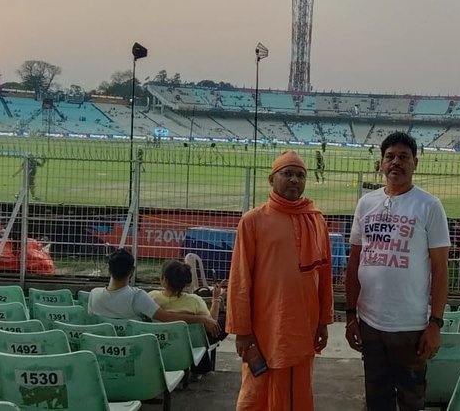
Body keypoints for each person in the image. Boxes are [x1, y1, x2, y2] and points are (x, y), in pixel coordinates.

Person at [346, 132, 450, 411]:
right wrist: (349, 316)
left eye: (403, 157)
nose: (396, 162)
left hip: (411, 327)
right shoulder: (366, 204)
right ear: (380, 164)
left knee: (411, 400)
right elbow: (355, 261)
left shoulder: (429, 206)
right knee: (376, 399)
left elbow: (440, 270)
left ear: (415, 162)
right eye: (390, 157)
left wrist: (435, 324)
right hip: (370, 323)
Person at [227, 150, 333, 411]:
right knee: (257, 390)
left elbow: (325, 275)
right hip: (265, 326)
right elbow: (240, 279)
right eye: (287, 174)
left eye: (300, 175)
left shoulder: (316, 219)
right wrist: (242, 330)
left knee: (297, 391)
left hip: (304, 325)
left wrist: (323, 322)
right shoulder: (253, 220)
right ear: (271, 179)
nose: (294, 180)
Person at [87, 248, 220, 335]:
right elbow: (167, 318)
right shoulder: (137, 297)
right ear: (132, 271)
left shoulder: (93, 295)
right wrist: (202, 318)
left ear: (109, 270)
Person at [149, 259, 222, 320]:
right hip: (188, 337)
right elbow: (212, 323)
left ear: (164, 279)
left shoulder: (151, 297)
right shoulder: (195, 301)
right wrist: (216, 299)